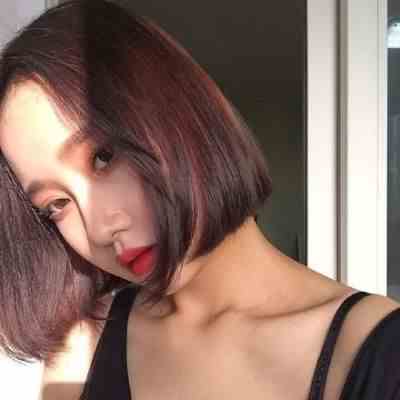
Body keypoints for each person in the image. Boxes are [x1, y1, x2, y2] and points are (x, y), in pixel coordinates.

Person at [0, 1, 399, 399]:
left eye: (103, 157)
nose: (99, 228)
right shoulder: (81, 346)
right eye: (56, 205)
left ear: (182, 111)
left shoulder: (376, 354)